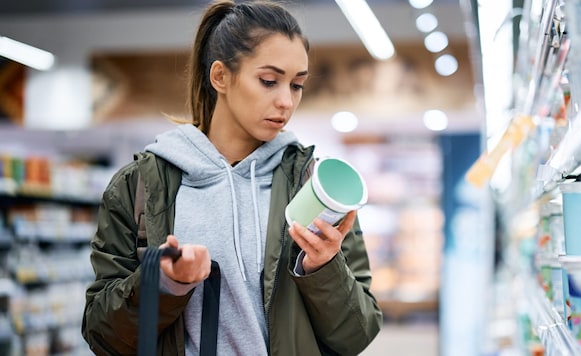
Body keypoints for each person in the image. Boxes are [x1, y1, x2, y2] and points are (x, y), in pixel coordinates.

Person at [81, 0, 383, 355]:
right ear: (220, 76)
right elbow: (102, 335)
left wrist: (323, 268)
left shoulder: (314, 187)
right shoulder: (139, 187)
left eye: (297, 85)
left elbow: (357, 334)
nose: (286, 101)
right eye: (269, 81)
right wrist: (164, 283)